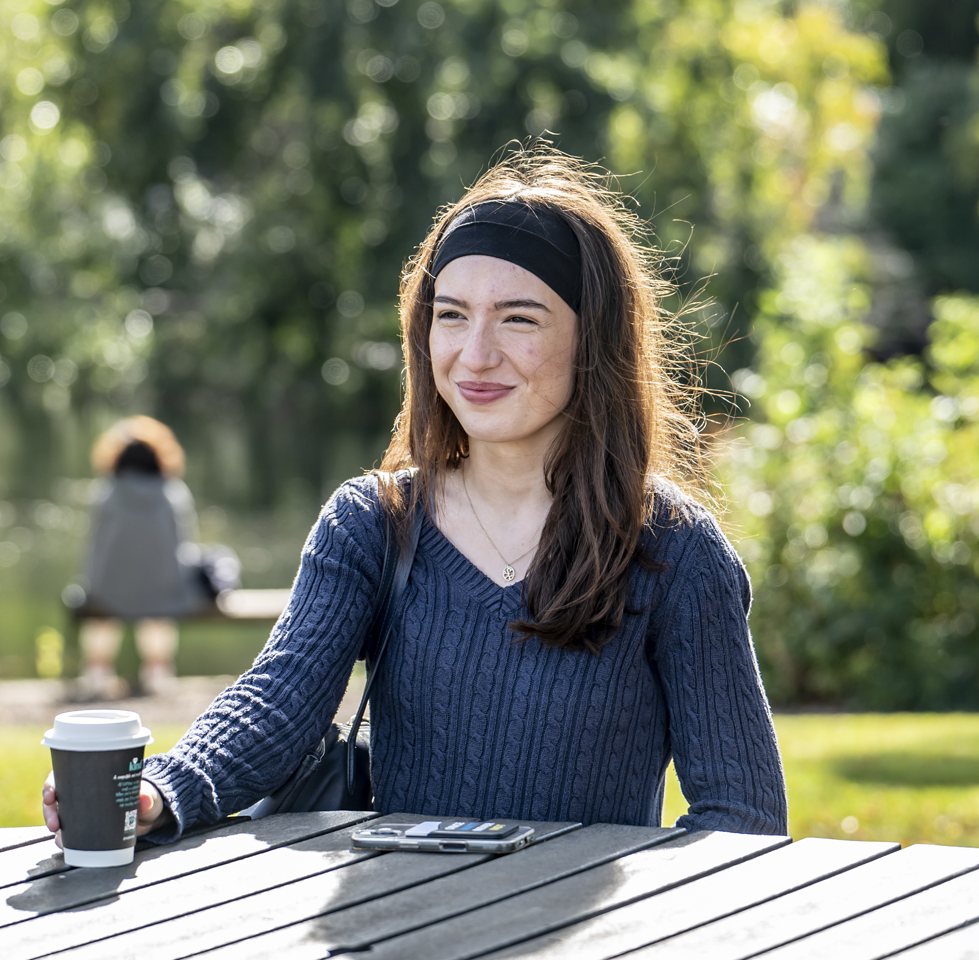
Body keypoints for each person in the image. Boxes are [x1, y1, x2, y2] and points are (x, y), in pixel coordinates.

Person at [45, 147, 787, 842]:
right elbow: (278, 702)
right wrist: (160, 790)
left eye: (518, 319)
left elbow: (742, 813)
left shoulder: (674, 550)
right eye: (452, 315)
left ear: (594, 340)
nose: (475, 354)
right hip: (399, 930)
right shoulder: (371, 524)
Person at [73, 416, 211, 699]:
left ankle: (98, 671)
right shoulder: (173, 493)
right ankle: (157, 670)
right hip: (162, 589)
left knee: (98, 606)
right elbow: (183, 545)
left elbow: (94, 550)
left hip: (111, 590)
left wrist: (93, 585)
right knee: (159, 606)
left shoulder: (105, 493)